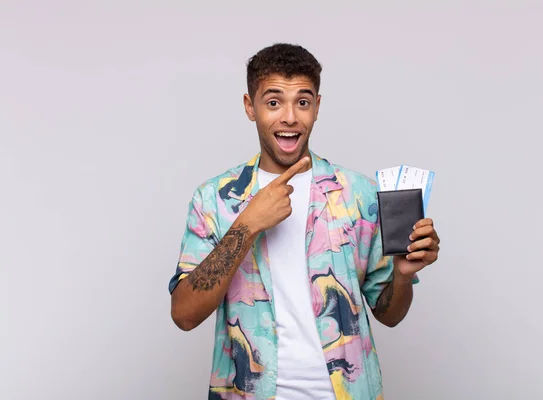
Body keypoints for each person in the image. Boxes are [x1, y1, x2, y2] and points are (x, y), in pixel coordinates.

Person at [169, 43, 441, 400]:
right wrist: (247, 225)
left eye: (302, 101)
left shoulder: (357, 194)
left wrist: (403, 276)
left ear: (317, 107)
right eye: (273, 102)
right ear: (250, 107)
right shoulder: (214, 200)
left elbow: (389, 314)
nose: (290, 117)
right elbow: (184, 314)